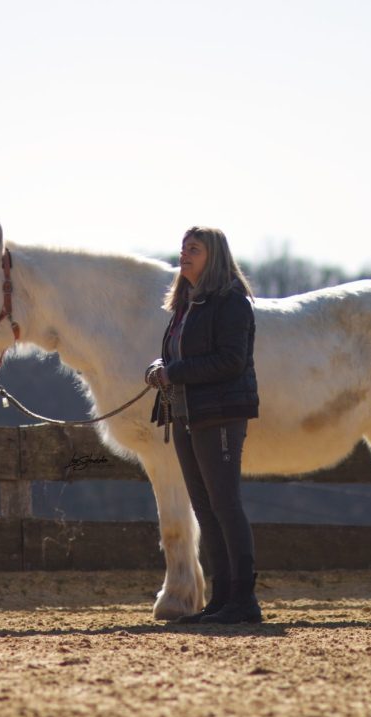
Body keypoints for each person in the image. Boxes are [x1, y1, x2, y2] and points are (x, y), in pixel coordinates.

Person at [146, 226, 261, 624]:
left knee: (225, 504)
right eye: (183, 248)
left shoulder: (231, 302)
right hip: (187, 415)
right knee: (205, 508)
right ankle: (221, 599)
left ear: (213, 256)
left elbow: (231, 360)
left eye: (193, 249)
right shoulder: (186, 304)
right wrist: (162, 369)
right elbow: (183, 358)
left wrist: (174, 371)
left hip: (221, 415)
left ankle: (243, 600)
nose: (184, 254)